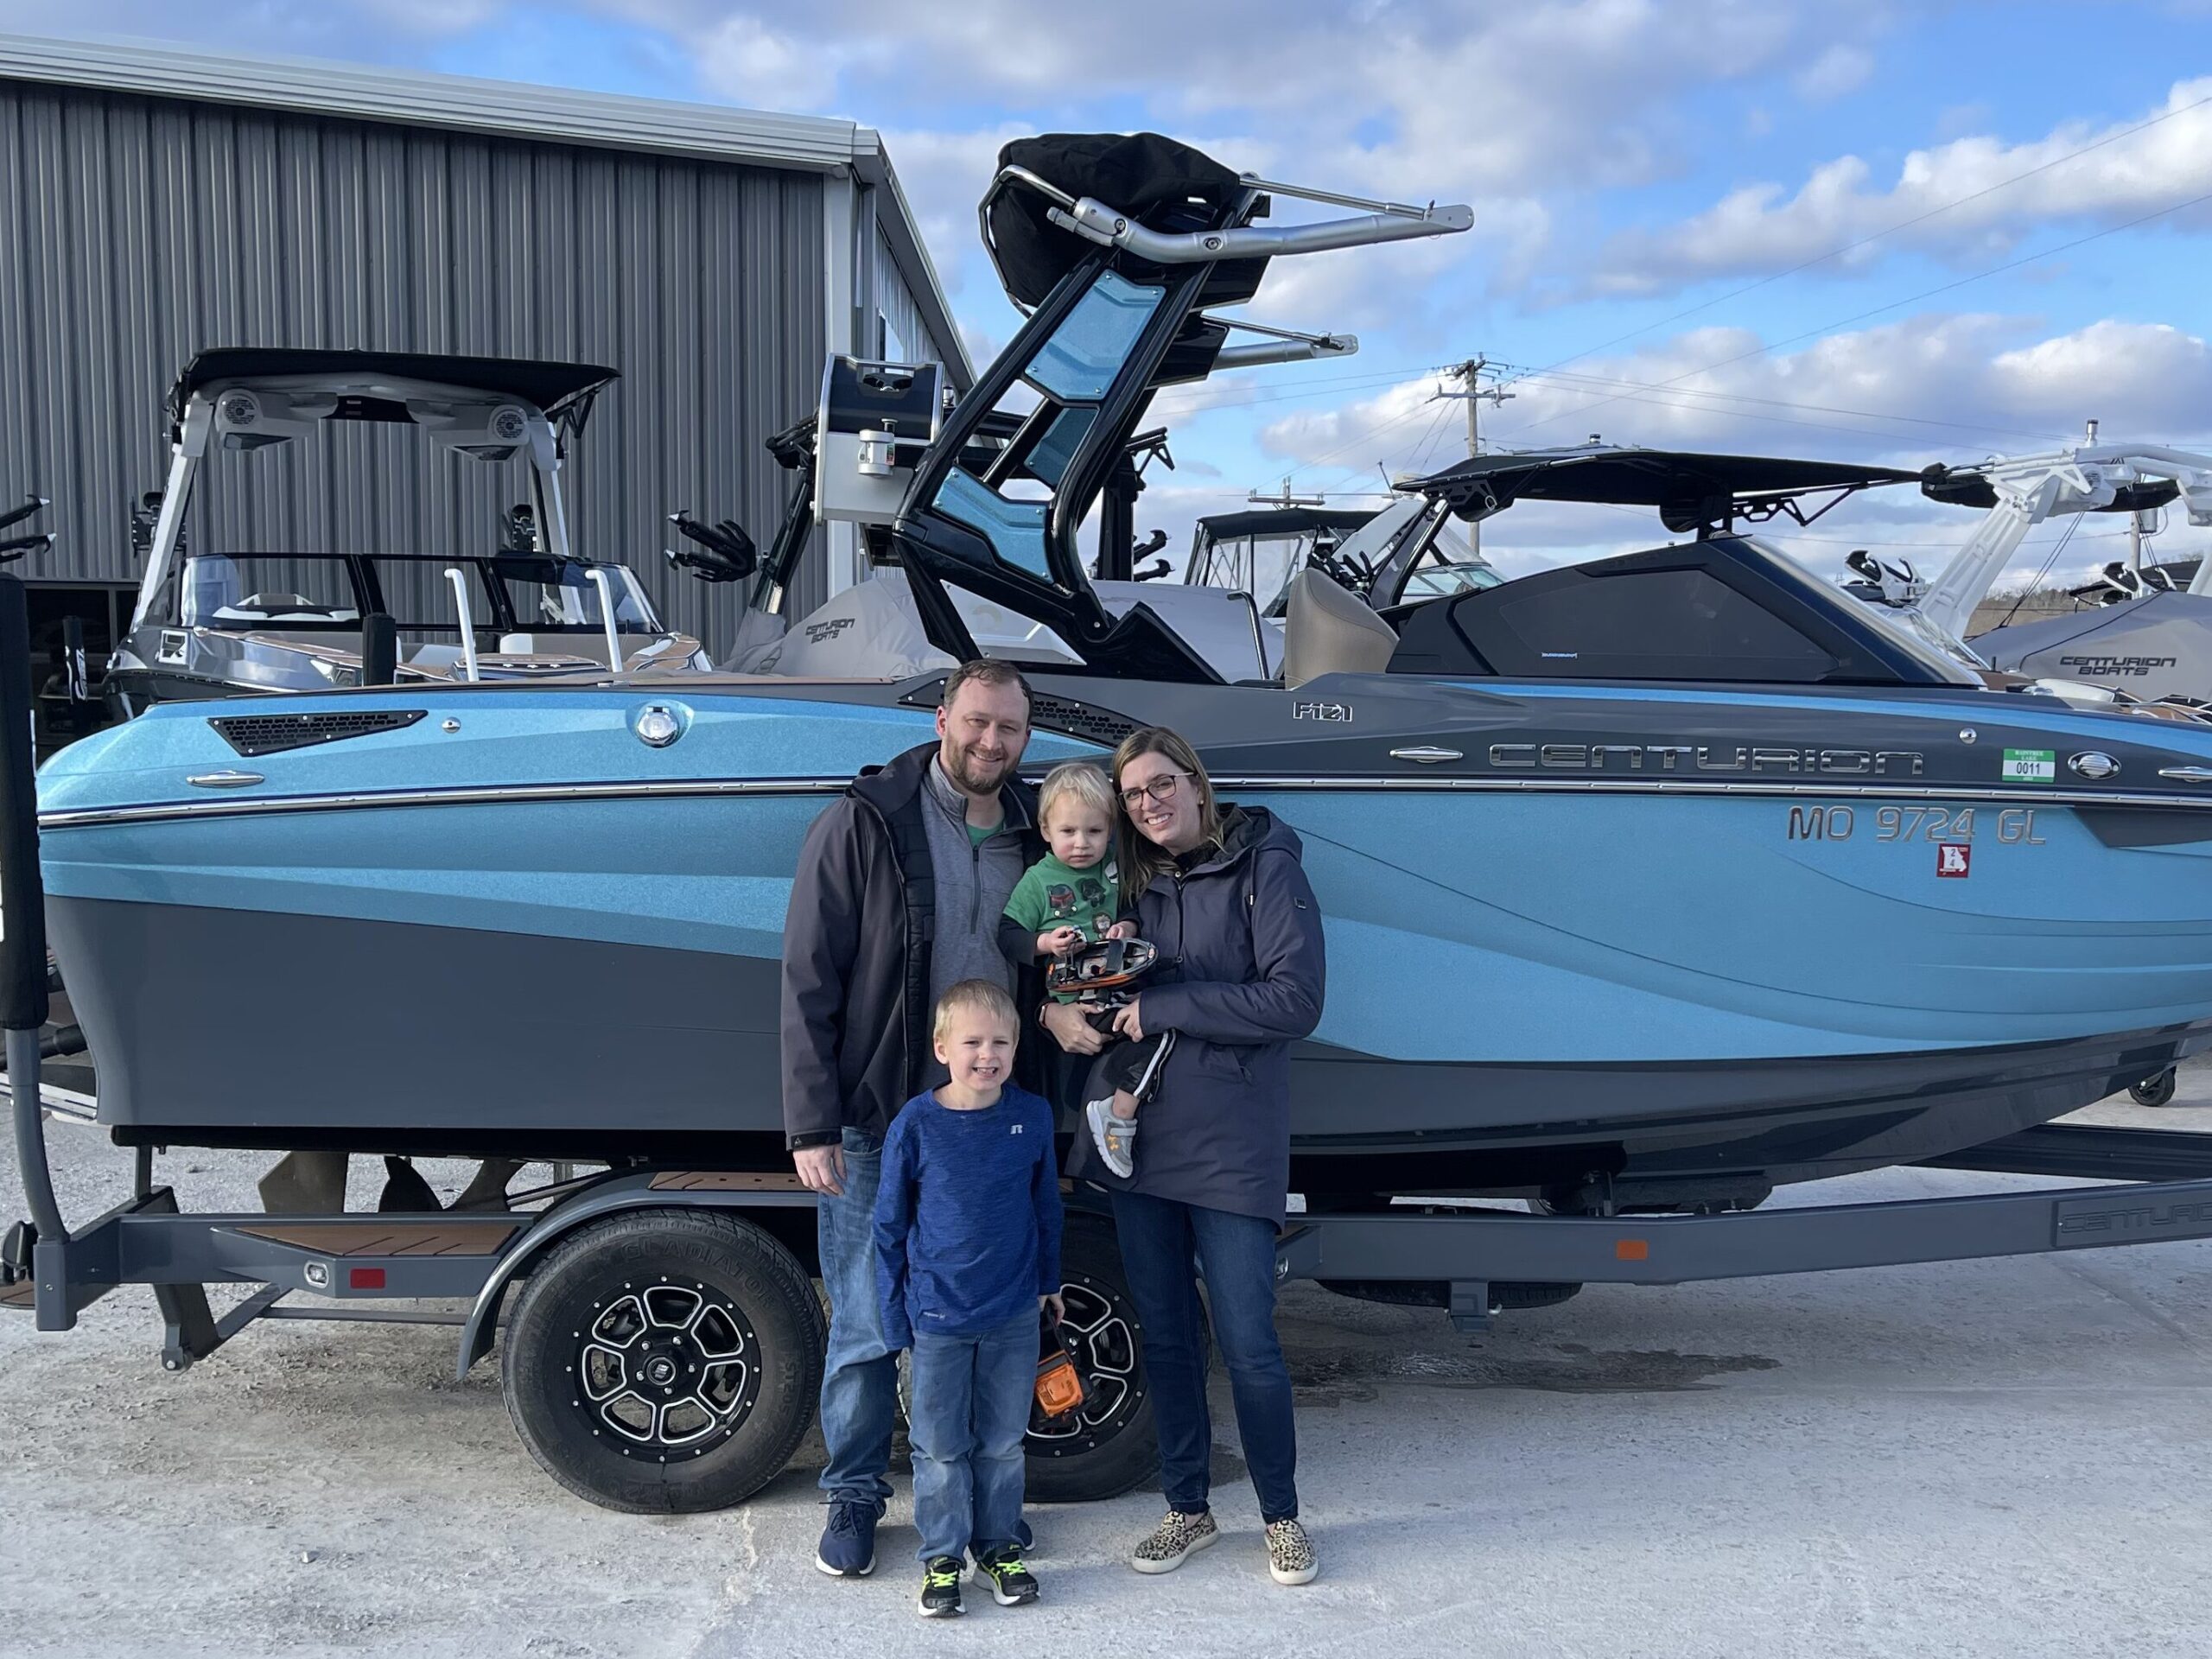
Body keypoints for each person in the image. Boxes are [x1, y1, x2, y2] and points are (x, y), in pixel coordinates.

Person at [781, 658, 1047, 1579]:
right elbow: (809, 977)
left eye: (1009, 729)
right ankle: (854, 1498)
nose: (991, 743)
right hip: (873, 1118)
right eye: (977, 722)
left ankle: (978, 1506)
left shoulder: (1034, 829)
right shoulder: (866, 822)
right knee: (864, 1317)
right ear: (944, 718)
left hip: (985, 1126)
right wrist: (809, 1123)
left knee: (988, 1316)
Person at [1067, 725, 1326, 1586]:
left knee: (1249, 1339)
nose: (1148, 803)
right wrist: (1080, 988)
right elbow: (1094, 996)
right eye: (1134, 795)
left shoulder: (1265, 867)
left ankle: (1281, 1520)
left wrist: (1170, 1006)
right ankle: (1188, 1510)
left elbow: (1294, 1000)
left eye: (1160, 785)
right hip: (1138, 1138)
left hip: (1231, 1142)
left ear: (1197, 783)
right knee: (1169, 1337)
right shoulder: (1129, 878)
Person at [874, 980, 1064, 1618]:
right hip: (937, 1317)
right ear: (941, 1047)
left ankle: (998, 1549)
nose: (988, 1054)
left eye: (1001, 1042)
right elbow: (889, 1227)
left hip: (1012, 1313)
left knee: (1004, 1442)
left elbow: (1046, 1209)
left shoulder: (1031, 1116)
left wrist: (1048, 1283)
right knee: (939, 1446)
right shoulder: (916, 1124)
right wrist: (892, 1315)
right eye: (973, 1042)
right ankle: (943, 1559)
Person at [996, 760, 1153, 1178]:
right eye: (1068, 832)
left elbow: (1132, 906)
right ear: (1046, 830)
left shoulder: (1113, 868)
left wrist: (1129, 925)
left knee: (1148, 1038)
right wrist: (1045, 943)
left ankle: (1108, 1118)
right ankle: (1113, 1120)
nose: (1081, 843)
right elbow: (1008, 933)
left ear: (1111, 831)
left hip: (1117, 986)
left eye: (1094, 832)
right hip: (1072, 997)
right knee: (1135, 1047)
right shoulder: (1038, 880)